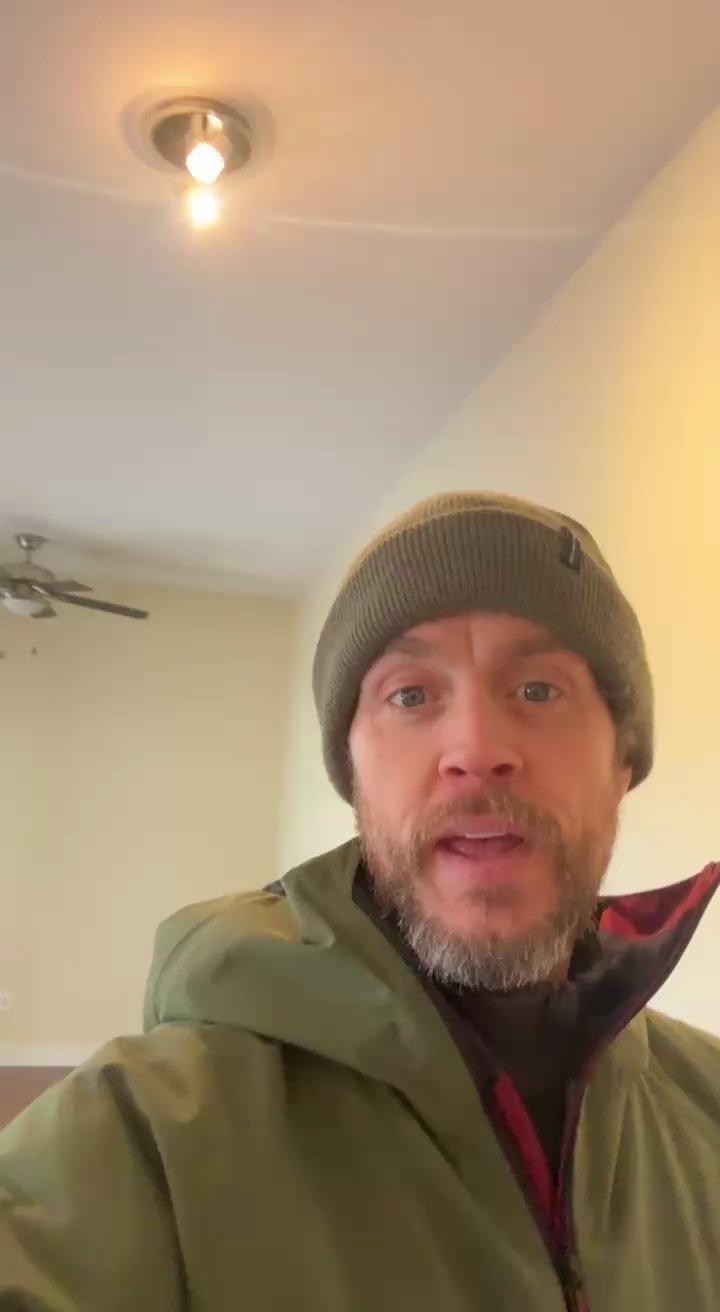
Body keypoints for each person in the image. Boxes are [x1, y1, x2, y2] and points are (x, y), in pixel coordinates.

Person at [1, 491, 718, 1312]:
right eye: (410, 696)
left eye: (538, 690)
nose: (476, 749)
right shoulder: (149, 1137)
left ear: (622, 764)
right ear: (355, 779)